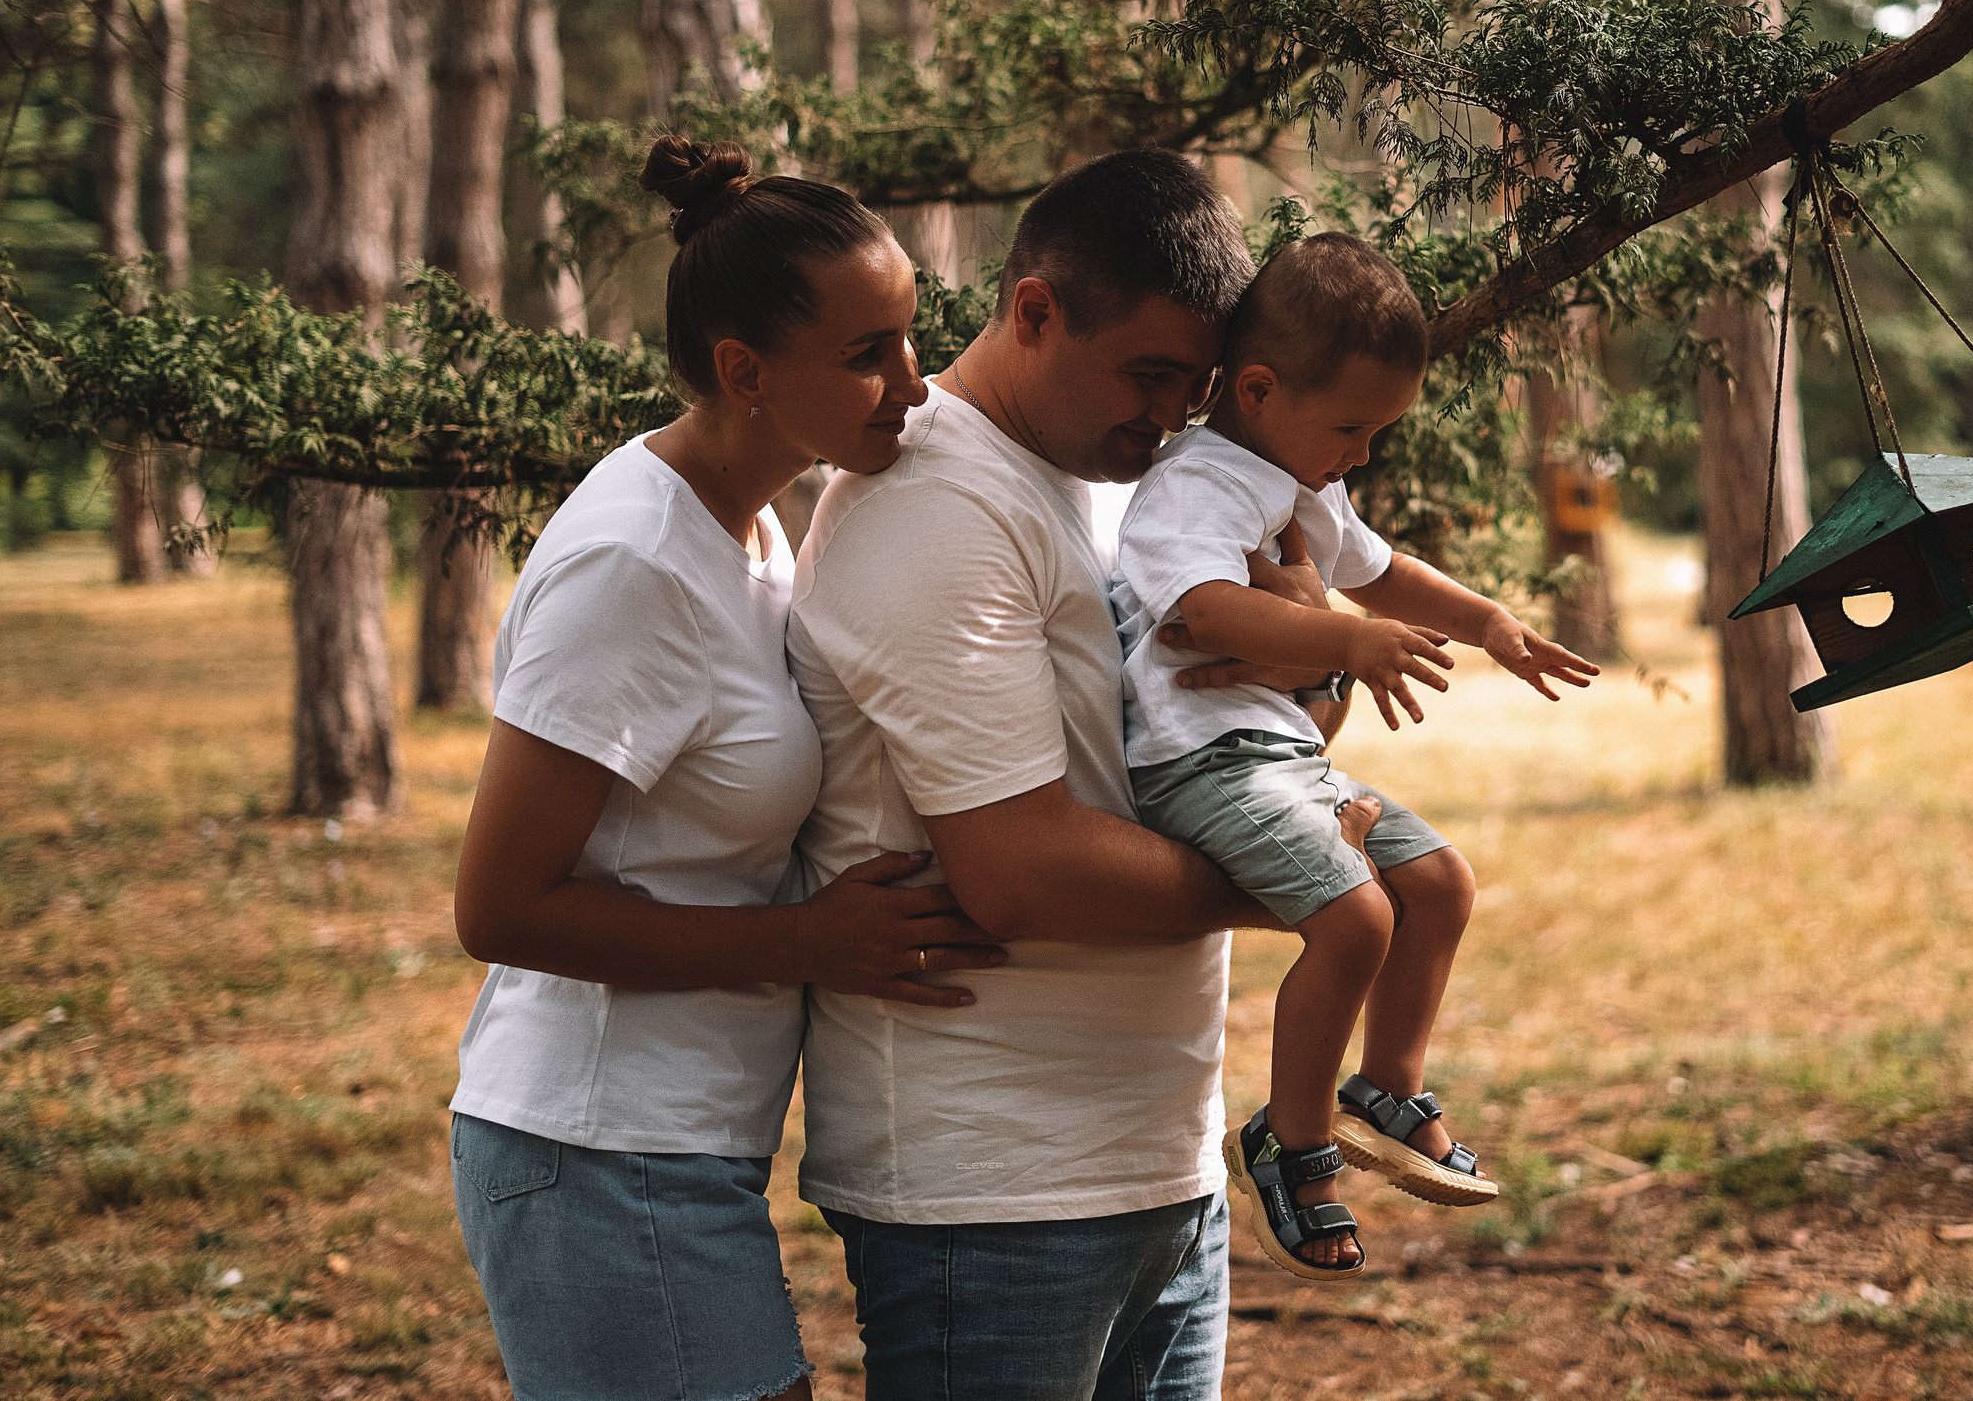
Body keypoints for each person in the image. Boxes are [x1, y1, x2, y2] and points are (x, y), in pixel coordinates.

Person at [787, 149, 1373, 1401]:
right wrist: (1318, 884)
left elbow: (1226, 747)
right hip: (992, 1190)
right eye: (1149, 373)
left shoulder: (1125, 490)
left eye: (1196, 386)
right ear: (1035, 310)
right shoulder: (935, 504)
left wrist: (1314, 651)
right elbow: (1022, 870)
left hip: (1157, 1159)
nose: (1171, 415)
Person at [448, 137, 1004, 1401]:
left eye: (912, 335)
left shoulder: (750, 524)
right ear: (743, 372)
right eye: (866, 355)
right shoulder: (630, 563)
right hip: (594, 1142)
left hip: (677, 1145)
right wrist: (808, 941)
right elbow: (500, 909)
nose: (911, 385)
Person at [1114, 232, 1599, 1281]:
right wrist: (1339, 639)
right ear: (1256, 389)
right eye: (1351, 426)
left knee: (1436, 883)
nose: (1363, 453)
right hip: (1199, 763)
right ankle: (1291, 1148)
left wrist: (1489, 622)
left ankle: (1384, 1084)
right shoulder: (1195, 483)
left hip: (1279, 757)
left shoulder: (1303, 482)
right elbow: (1203, 608)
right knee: (1354, 917)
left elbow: (1381, 574)